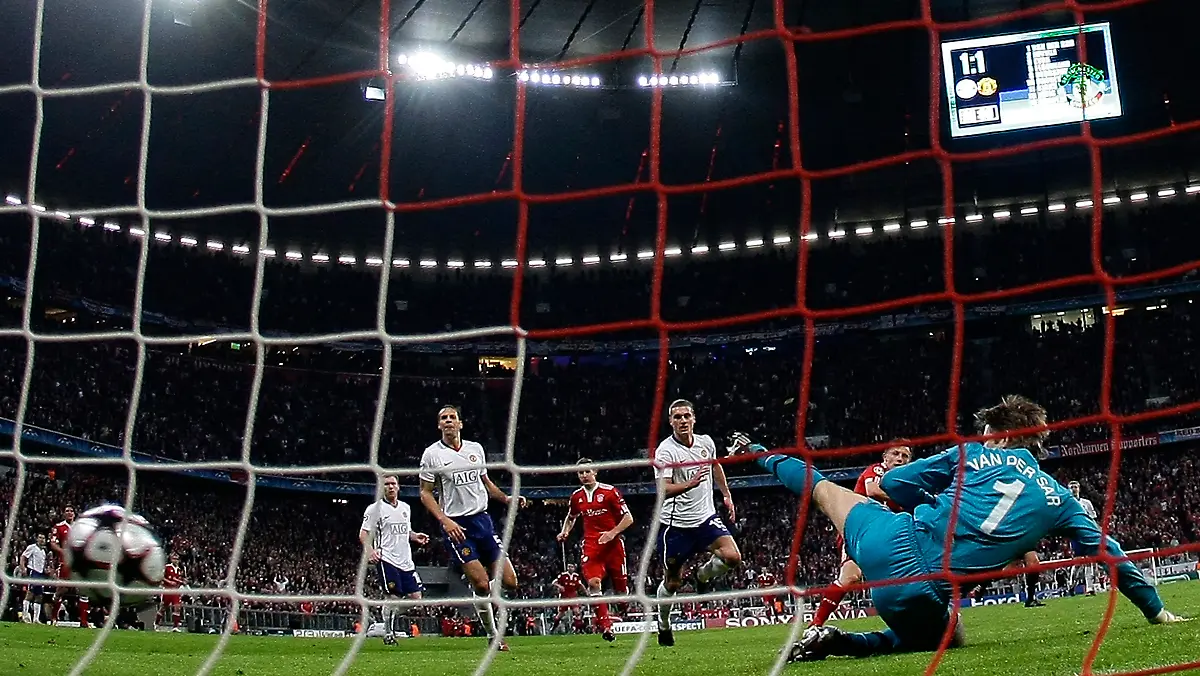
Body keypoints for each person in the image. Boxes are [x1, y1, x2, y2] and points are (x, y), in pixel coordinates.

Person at [730, 395, 1186, 661]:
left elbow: (892, 483)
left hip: (888, 541)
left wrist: (933, 498)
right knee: (950, 637)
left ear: (1000, 436)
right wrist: (1156, 611)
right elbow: (1110, 553)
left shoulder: (974, 452)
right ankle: (845, 642)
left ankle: (759, 452)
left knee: (824, 489)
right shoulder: (1060, 500)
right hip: (924, 592)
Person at [419, 405, 526, 652]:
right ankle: (492, 635)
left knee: (511, 582)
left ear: (460, 424)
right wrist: (445, 520)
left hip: (483, 521)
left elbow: (485, 481)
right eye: (443, 418)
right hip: (457, 526)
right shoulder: (432, 455)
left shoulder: (475, 449)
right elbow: (425, 493)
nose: (448, 421)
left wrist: (506, 499)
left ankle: (484, 599)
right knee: (482, 584)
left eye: (452, 417)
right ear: (439, 425)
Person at [653, 399, 741, 647]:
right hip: (675, 526)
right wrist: (689, 484)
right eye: (677, 417)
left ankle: (702, 577)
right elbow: (662, 490)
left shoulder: (706, 442)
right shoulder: (665, 452)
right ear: (670, 422)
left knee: (733, 557)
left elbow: (715, 466)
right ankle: (663, 624)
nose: (683, 421)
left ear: (694, 418)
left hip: (705, 518)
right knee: (672, 582)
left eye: (686, 416)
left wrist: (726, 495)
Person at [810, 444, 912, 627]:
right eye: (895, 453)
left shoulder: (904, 483)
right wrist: (908, 499)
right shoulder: (878, 470)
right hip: (857, 531)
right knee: (850, 577)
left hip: (885, 536)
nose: (900, 459)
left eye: (905, 456)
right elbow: (872, 490)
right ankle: (816, 624)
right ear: (885, 457)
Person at [556, 458, 634, 641]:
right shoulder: (577, 497)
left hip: (613, 546)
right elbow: (571, 517)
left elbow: (628, 518)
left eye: (587, 471)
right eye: (580, 473)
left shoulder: (609, 492)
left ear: (595, 472)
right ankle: (606, 627)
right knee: (593, 584)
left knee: (621, 591)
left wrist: (612, 533)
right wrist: (565, 531)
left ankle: (623, 606)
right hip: (592, 546)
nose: (584, 475)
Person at [361, 474, 430, 645]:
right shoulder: (374, 509)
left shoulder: (405, 508)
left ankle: (384, 620)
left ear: (398, 487)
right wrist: (370, 551)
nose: (390, 487)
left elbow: (406, 531)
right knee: (392, 597)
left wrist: (415, 536)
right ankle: (388, 634)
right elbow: (363, 533)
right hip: (387, 558)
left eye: (393, 484)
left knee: (417, 599)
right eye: (386, 484)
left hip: (406, 561)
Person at [49, 505, 89, 628]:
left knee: (83, 591)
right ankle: (54, 617)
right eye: (67, 511)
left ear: (74, 513)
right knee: (61, 590)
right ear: (64, 514)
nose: (70, 513)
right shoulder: (59, 527)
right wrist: (63, 552)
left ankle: (84, 622)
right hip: (65, 563)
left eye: (71, 511)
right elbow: (53, 544)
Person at [1068, 479, 1100, 595]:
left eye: (1075, 487)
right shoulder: (1067, 504)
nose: (1074, 489)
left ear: (1079, 489)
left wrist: (1096, 531)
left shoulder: (1086, 503)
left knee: (1089, 561)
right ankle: (1071, 585)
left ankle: (1090, 588)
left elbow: (1093, 518)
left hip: (1087, 534)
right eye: (1071, 487)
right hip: (1075, 535)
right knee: (1077, 563)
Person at [19, 533, 48, 624]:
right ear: (37, 539)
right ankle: (24, 616)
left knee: (39, 596)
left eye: (43, 538)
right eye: (40, 537)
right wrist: (23, 568)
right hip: (33, 572)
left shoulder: (43, 551)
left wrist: (46, 570)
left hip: (40, 574)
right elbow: (23, 557)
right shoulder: (32, 547)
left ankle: (36, 619)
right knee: (30, 594)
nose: (41, 539)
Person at [550, 564, 585, 633]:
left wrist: (586, 591)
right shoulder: (563, 575)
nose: (570, 568)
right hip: (564, 596)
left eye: (571, 567)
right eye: (569, 567)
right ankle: (553, 628)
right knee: (560, 614)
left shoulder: (576, 576)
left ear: (574, 568)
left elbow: (580, 585)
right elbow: (554, 582)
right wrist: (560, 586)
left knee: (577, 612)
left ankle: (579, 630)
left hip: (573, 596)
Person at [160, 552, 186, 631]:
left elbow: (178, 579)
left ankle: (175, 627)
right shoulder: (167, 567)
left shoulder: (179, 570)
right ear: (171, 559)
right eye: (174, 559)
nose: (176, 560)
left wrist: (181, 582)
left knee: (177, 608)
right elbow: (161, 577)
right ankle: (156, 623)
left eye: (177, 559)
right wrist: (169, 582)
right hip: (167, 590)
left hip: (175, 591)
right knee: (163, 608)